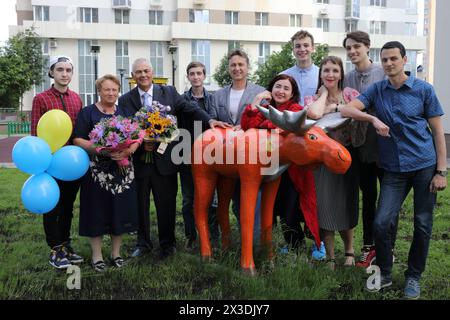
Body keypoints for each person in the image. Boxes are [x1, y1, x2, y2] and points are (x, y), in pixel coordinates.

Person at [341, 41, 447, 299]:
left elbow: (438, 131)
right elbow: (346, 108)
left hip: (424, 165)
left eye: (393, 59)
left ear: (404, 60)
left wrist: (441, 172)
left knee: (422, 224)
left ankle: (413, 276)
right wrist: (373, 118)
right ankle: (385, 273)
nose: (388, 64)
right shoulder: (377, 90)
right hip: (394, 169)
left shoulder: (424, 90)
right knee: (381, 223)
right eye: (385, 59)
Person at [119, 58, 229, 259]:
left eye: (146, 71)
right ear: (133, 76)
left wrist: (210, 120)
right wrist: (144, 142)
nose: (143, 75)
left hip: (165, 163)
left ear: (152, 72)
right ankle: (143, 243)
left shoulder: (168, 92)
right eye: (138, 72)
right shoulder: (126, 99)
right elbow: (126, 126)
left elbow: (190, 109)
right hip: (140, 162)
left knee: (167, 204)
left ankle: (167, 244)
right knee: (140, 204)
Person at [240, 74, 321, 255]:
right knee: (272, 211)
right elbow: (247, 125)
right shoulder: (265, 107)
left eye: (286, 88)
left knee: (289, 212)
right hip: (268, 169)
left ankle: (297, 248)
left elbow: (285, 129)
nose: (281, 91)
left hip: (291, 172)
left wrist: (264, 127)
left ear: (292, 93)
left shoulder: (295, 109)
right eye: (278, 86)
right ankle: (275, 247)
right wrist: (257, 99)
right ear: (271, 89)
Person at [73, 74, 139, 272]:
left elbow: (137, 137)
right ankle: (97, 255)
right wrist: (101, 149)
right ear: (99, 91)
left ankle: (116, 253)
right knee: (97, 210)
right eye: (107, 89)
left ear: (118, 92)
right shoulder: (88, 113)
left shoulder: (125, 112)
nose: (111, 93)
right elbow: (78, 139)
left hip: (122, 170)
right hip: (96, 173)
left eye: (114, 90)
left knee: (119, 210)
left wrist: (128, 150)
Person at [305, 56, 361, 269]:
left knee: (347, 204)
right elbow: (314, 114)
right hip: (321, 161)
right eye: (326, 70)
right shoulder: (312, 99)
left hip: (347, 157)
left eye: (335, 70)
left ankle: (349, 251)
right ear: (320, 74)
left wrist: (334, 107)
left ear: (341, 74)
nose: (330, 74)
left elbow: (357, 112)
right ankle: (329, 256)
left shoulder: (351, 95)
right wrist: (325, 94)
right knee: (325, 206)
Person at [31, 55, 83, 269]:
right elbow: (35, 131)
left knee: (68, 207)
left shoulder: (76, 99)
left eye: (68, 70)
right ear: (52, 72)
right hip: (50, 163)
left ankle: (65, 244)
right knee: (52, 206)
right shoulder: (41, 99)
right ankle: (55, 249)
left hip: (71, 164)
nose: (64, 73)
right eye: (59, 69)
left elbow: (79, 131)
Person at [210, 49, 265, 238]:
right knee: (232, 198)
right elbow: (213, 119)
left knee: (253, 198)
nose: (237, 68)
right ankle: (239, 236)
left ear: (247, 67)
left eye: (241, 64)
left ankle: (255, 242)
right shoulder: (218, 95)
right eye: (233, 65)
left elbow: (264, 122)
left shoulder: (260, 92)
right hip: (226, 155)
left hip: (251, 155)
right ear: (228, 68)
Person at [342, 31, 386, 268]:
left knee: (388, 200)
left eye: (357, 46)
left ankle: (385, 247)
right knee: (368, 197)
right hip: (361, 146)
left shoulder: (382, 71)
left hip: (385, 145)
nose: (352, 52)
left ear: (368, 47)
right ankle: (368, 246)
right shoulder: (348, 77)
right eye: (349, 48)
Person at [180, 61, 219, 249]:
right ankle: (191, 235)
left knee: (211, 199)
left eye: (199, 73)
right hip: (187, 154)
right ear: (188, 77)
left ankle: (213, 235)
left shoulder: (213, 98)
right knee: (188, 199)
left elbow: (216, 121)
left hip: (210, 155)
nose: (196, 77)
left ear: (204, 76)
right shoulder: (181, 99)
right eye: (192, 74)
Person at [281, 30, 319, 106]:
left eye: (306, 45)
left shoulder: (322, 75)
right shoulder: (283, 76)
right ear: (293, 50)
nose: (302, 49)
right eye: (298, 46)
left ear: (312, 48)